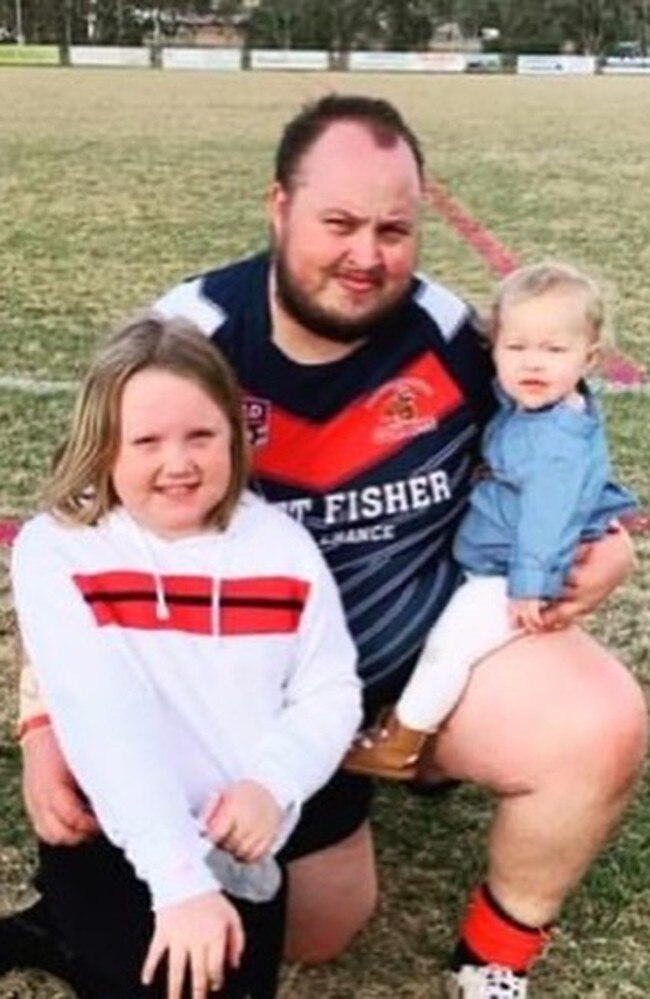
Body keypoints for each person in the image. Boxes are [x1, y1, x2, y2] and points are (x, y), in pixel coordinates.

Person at [8, 95, 647, 999]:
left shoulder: (456, 337)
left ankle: (493, 955)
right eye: (339, 222)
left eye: (395, 227)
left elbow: (558, 424)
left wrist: (606, 538)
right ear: (279, 208)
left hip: (408, 674)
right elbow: (72, 538)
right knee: (314, 931)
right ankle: (91, 902)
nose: (367, 254)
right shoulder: (186, 337)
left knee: (599, 718)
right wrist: (43, 725)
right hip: (234, 687)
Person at [8, 315, 362, 998]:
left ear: (236, 432)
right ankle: (66, 920)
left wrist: (273, 783)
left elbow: (331, 688)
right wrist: (179, 885)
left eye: (201, 435)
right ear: (103, 446)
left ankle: (68, 928)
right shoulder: (59, 547)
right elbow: (103, 715)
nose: (179, 463)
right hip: (117, 829)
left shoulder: (282, 548)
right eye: (146, 441)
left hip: (237, 837)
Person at [343, 261, 638, 781]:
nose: (533, 364)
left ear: (589, 357)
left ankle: (403, 743)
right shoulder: (538, 404)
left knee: (448, 649)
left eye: (554, 350)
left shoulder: (555, 447)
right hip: (494, 563)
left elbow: (546, 522)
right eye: (517, 348)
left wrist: (529, 587)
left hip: (508, 576)